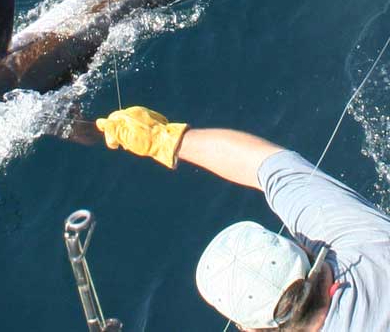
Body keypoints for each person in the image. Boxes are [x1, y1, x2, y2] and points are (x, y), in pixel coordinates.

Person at [95, 106, 390, 331]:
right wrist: (164, 138)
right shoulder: (360, 241)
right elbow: (260, 163)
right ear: (302, 248)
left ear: (250, 328)